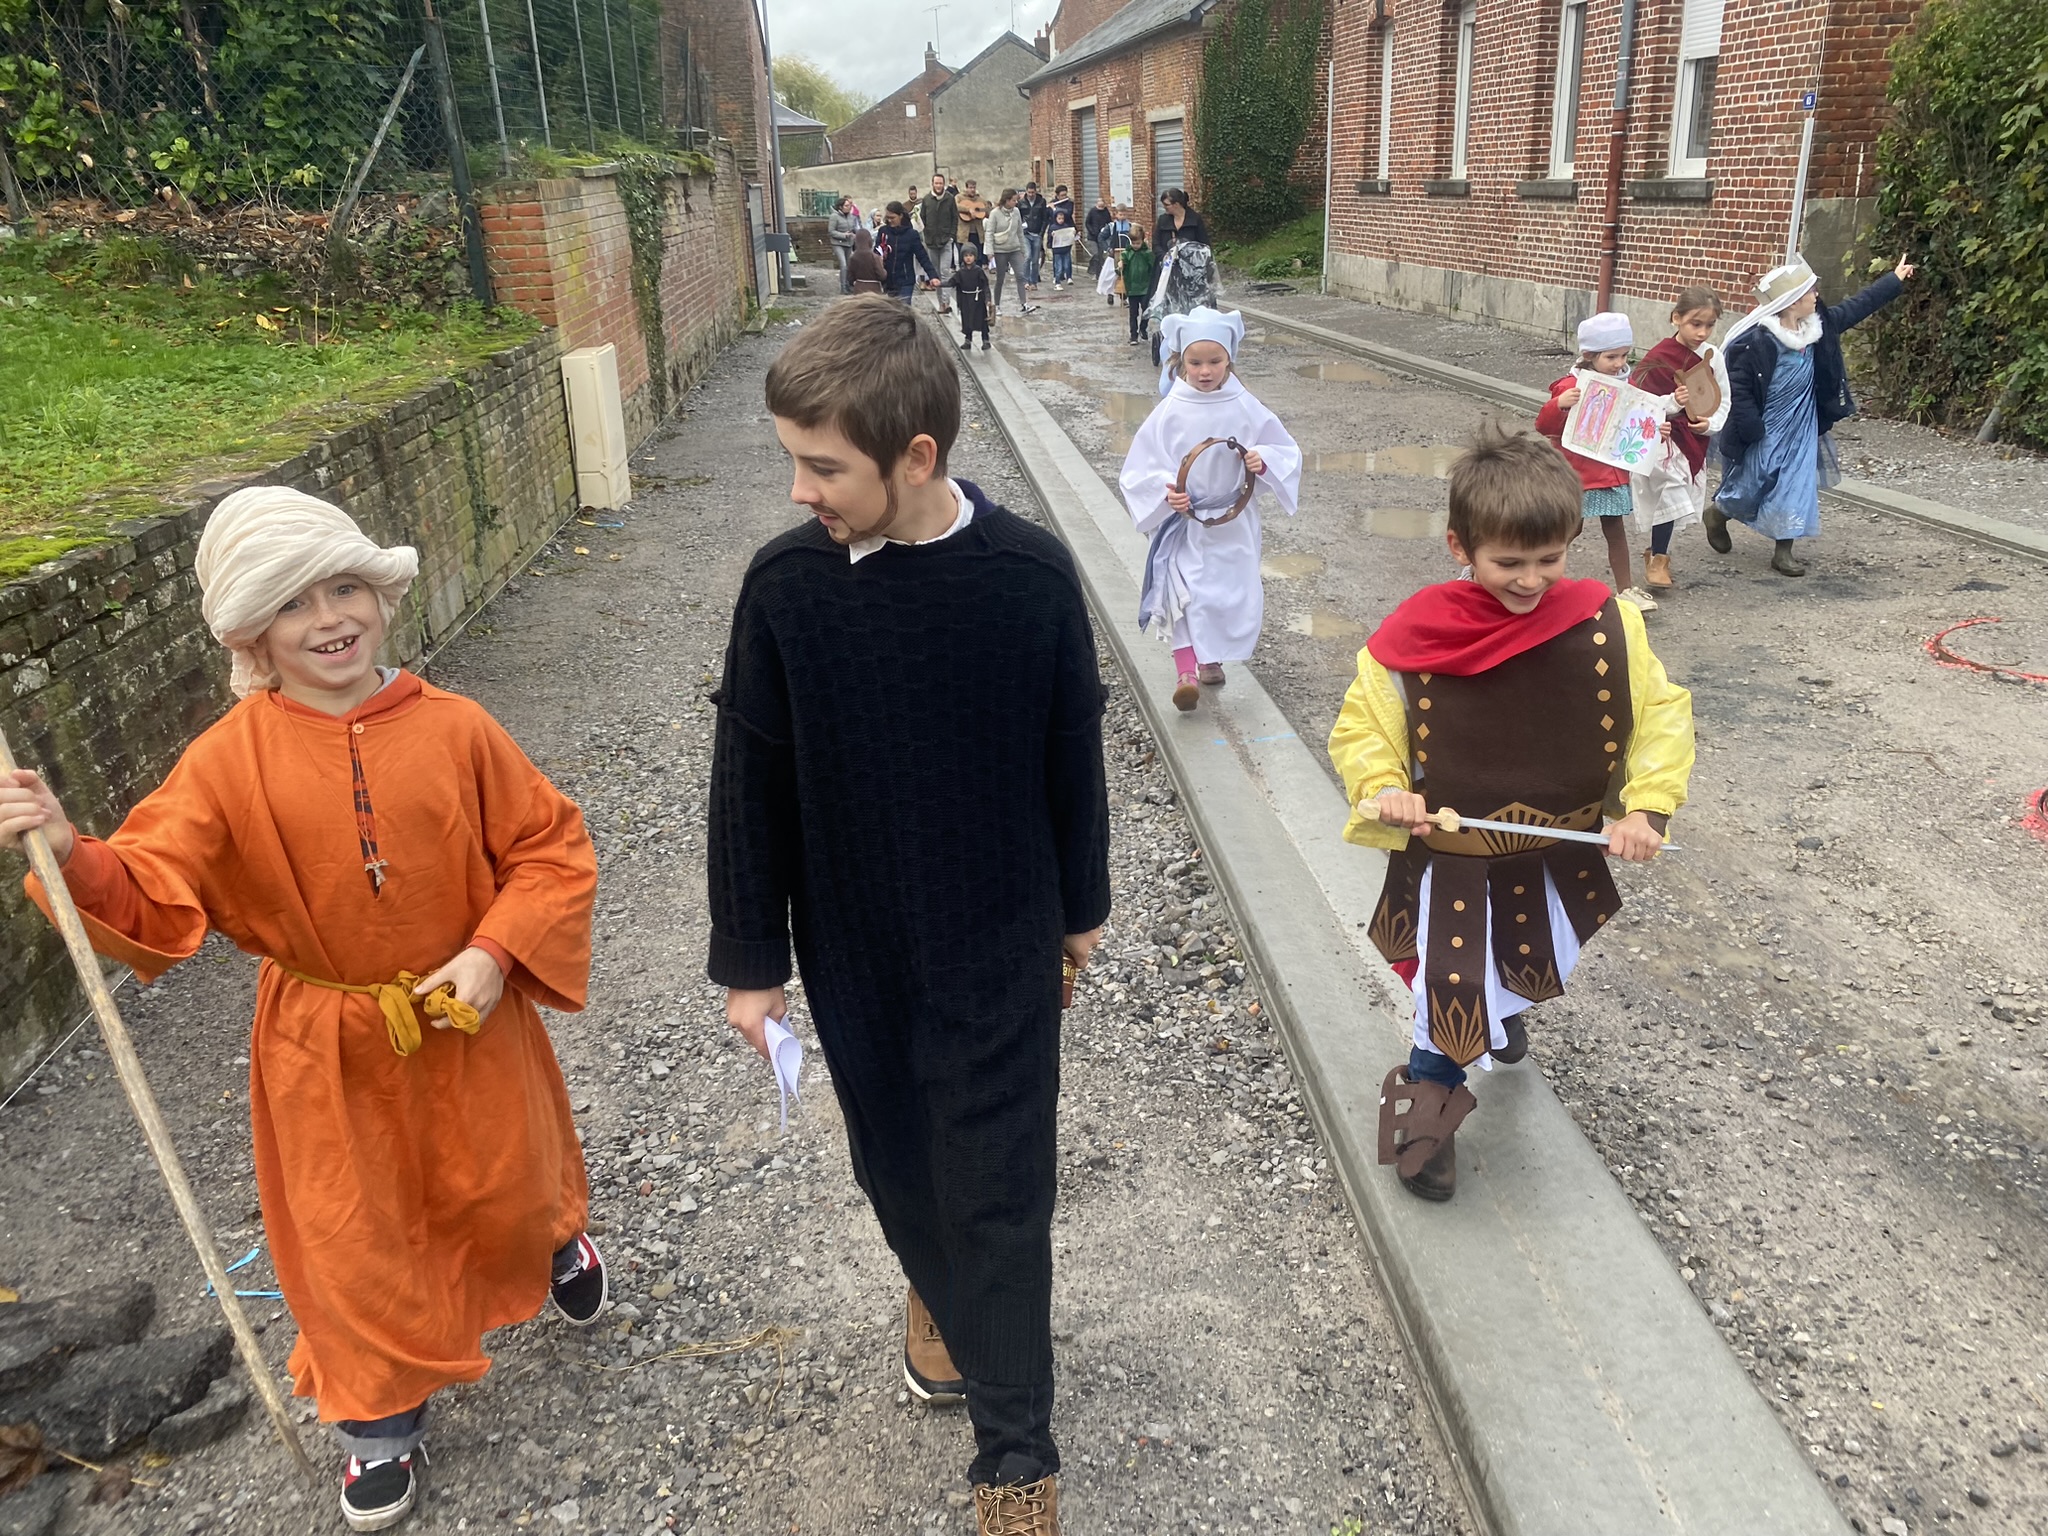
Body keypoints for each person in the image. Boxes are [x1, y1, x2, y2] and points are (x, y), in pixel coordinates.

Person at [0, 487, 604, 1533]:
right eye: (293, 605)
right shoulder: (227, 759)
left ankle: (549, 1241)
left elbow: (549, 849)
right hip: (324, 1044)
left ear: (379, 593)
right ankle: (378, 1421)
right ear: (250, 635)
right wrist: (66, 847)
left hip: (469, 1015)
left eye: (345, 588)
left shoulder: (459, 728)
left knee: (505, 1177)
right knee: (348, 1235)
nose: (329, 619)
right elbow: (149, 886)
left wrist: (495, 951)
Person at [709, 296, 1111, 1536]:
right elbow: (748, 777)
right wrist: (751, 962)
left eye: (821, 467)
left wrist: (1079, 909)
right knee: (896, 1162)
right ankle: (934, 1291)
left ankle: (1015, 1463)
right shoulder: (785, 589)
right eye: (790, 459)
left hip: (999, 935)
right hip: (856, 942)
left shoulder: (1030, 576)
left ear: (916, 458)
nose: (796, 492)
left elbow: (1069, 753)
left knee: (998, 1184)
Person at [1327, 423, 1694, 1201]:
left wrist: (1647, 808)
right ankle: (1432, 1098)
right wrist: (1384, 784)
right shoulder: (1411, 638)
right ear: (1461, 546)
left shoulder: (1608, 624)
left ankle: (1502, 1013)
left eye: (1550, 559)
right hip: (1456, 856)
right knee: (1451, 986)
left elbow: (1659, 713)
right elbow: (1365, 726)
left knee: (1524, 960)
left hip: (1554, 847)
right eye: (1509, 563)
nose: (1531, 580)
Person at [1118, 306, 1302, 712]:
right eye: (1195, 362)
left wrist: (1262, 459)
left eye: (1215, 361)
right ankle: (1186, 669)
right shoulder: (1170, 410)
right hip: (1185, 522)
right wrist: (1168, 493)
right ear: (1180, 361)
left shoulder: (1245, 404)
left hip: (1232, 521)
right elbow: (1141, 467)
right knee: (1186, 591)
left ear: (1229, 359)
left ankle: (1211, 657)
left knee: (1225, 592)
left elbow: (1285, 448)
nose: (1205, 371)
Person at [1707, 254, 1916, 578]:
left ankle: (1784, 551)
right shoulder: (1757, 341)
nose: (1817, 296)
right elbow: (1740, 388)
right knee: (1752, 481)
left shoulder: (1819, 328)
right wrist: (1751, 425)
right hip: (1767, 426)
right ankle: (1719, 513)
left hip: (1802, 424)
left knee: (1797, 482)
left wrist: (1894, 280)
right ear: (1792, 302)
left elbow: (1857, 307)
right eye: (1810, 292)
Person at [1535, 312, 1662, 611]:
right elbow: (1545, 427)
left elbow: (1634, 423)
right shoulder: (1571, 385)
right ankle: (1539, 578)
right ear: (1589, 355)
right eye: (1611, 357)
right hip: (1577, 475)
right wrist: (1558, 405)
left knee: (1615, 528)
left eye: (1624, 355)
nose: (1619, 363)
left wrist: (1656, 429)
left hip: (1611, 472)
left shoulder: (1626, 384)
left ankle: (1626, 590)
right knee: (1569, 528)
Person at [1626, 287, 1731, 589]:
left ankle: (1657, 555)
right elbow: (1638, 402)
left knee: (1673, 495)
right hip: (1662, 438)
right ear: (1677, 319)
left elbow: (1722, 398)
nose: (1702, 332)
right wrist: (1671, 402)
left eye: (1709, 325)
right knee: (1668, 491)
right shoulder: (1658, 358)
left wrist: (1709, 424)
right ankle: (1659, 558)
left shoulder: (1714, 358)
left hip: (1693, 438)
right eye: (1695, 324)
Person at [1145, 200, 1218, 369]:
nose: (1165, 208)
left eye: (1167, 204)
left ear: (1177, 204)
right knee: (1170, 305)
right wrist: (1164, 256)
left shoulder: (1195, 220)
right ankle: (1171, 340)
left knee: (1193, 306)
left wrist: (1200, 262)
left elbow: (1205, 245)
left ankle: (1194, 338)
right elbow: (1155, 243)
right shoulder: (1164, 221)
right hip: (1169, 271)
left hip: (1193, 273)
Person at [985, 188, 1037, 320]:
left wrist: (1023, 249)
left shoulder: (1016, 212)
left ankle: (1024, 304)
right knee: (1000, 279)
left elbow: (1019, 231)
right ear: (1006, 200)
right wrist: (990, 251)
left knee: (1020, 275)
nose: (1015, 203)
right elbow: (989, 232)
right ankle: (996, 305)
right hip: (1000, 250)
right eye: (1013, 200)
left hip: (1014, 249)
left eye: (1016, 200)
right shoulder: (995, 213)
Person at [880, 201, 938, 304]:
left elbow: (922, 257)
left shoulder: (911, 234)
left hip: (905, 280)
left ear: (900, 216)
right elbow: (877, 252)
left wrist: (932, 276)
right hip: (888, 280)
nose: (889, 220)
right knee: (891, 314)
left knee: (904, 312)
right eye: (888, 217)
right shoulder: (883, 232)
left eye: (892, 218)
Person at [943, 244, 993, 351]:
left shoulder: (979, 271)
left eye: (971, 255)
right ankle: (968, 340)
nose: (968, 258)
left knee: (982, 319)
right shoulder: (961, 272)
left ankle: (985, 339)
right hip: (965, 299)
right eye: (966, 255)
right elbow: (951, 282)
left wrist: (988, 299)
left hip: (978, 299)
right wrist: (938, 284)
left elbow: (985, 285)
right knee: (967, 320)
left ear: (975, 256)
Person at [1118, 228, 1156, 347]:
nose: (1135, 246)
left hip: (1145, 287)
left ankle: (1143, 328)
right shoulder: (1126, 254)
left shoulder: (1148, 254)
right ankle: (1133, 335)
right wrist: (1120, 266)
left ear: (1142, 240)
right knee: (1133, 313)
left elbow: (1153, 269)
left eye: (1138, 243)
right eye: (1133, 243)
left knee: (1146, 311)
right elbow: (1120, 272)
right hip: (1132, 288)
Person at [920, 174, 959, 278]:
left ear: (944, 184)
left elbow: (955, 218)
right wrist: (926, 235)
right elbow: (922, 218)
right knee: (935, 273)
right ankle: (939, 295)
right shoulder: (926, 199)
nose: (938, 186)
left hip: (946, 240)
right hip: (931, 242)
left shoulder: (950, 199)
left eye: (940, 183)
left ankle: (945, 295)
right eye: (936, 183)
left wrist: (952, 236)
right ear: (932, 184)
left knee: (945, 272)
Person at [1095, 206, 1132, 305]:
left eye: (1124, 214)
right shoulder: (1111, 227)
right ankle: (1110, 294)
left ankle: (1123, 297)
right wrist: (1108, 249)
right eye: (1120, 214)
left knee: (1124, 276)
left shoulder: (1130, 226)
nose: (1123, 216)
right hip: (1114, 255)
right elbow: (1101, 238)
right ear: (1116, 215)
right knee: (1110, 276)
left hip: (1126, 255)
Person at [829, 197, 863, 294]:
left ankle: (848, 285)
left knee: (849, 265)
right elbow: (831, 231)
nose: (849, 207)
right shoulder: (834, 217)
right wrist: (844, 235)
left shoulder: (851, 216)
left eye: (850, 205)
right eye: (846, 206)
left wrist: (856, 235)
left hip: (849, 243)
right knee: (843, 265)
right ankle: (843, 287)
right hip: (838, 243)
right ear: (840, 207)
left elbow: (854, 228)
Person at [1019, 182, 1050, 287]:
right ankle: (1025, 280)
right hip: (1026, 233)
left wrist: (1041, 233)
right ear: (1026, 191)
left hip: (1037, 233)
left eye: (1032, 192)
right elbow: (1018, 217)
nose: (1031, 194)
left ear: (1035, 191)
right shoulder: (1021, 202)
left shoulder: (1041, 202)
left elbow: (1045, 218)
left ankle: (1034, 281)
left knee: (1035, 259)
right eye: (1029, 192)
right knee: (1027, 256)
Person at [845, 226, 887, 296]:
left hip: (858, 289)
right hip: (874, 290)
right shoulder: (874, 257)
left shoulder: (853, 257)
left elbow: (850, 277)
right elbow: (882, 276)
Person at [1047, 202, 1078, 289]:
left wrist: (1073, 234)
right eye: (1059, 218)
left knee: (1067, 264)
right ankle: (1057, 282)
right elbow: (1049, 237)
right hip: (1057, 250)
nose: (1061, 220)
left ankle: (1069, 277)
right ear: (1055, 218)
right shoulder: (1053, 227)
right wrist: (1050, 243)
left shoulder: (1066, 226)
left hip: (1065, 249)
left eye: (1062, 218)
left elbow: (1069, 236)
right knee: (1059, 266)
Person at [957, 179, 990, 257]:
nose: (972, 190)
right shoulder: (959, 197)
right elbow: (955, 206)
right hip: (964, 233)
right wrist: (968, 210)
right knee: (964, 255)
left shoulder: (980, 199)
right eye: (970, 188)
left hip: (977, 233)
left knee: (977, 256)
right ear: (966, 188)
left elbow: (987, 211)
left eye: (974, 188)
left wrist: (985, 212)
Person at [1084, 195, 1113, 280]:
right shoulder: (1092, 211)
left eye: (1102, 206)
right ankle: (1093, 270)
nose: (1101, 207)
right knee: (1096, 254)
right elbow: (1087, 223)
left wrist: (1106, 232)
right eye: (1099, 206)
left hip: (1101, 237)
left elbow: (1109, 223)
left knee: (1100, 256)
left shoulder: (1106, 212)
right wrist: (1092, 231)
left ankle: (1098, 274)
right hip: (1092, 237)